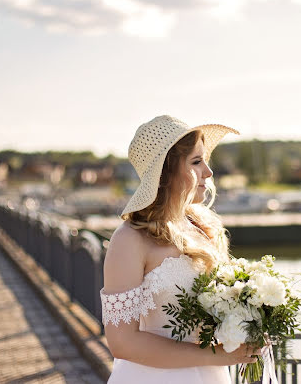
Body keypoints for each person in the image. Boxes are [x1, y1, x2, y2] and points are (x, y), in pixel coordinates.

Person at [100, 115, 257, 384]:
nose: (208, 172)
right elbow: (122, 343)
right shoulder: (129, 239)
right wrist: (215, 356)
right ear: (167, 171)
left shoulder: (203, 225)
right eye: (196, 162)